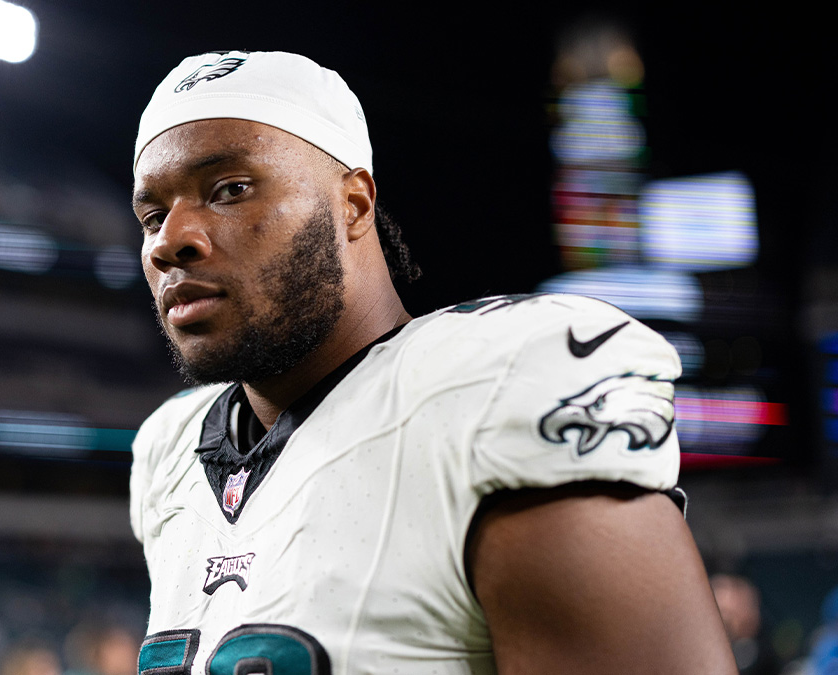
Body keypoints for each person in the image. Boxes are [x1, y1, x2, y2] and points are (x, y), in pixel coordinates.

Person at [127, 50, 736, 675]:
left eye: (231, 189)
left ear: (355, 204)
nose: (170, 240)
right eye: (152, 215)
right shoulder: (170, 454)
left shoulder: (497, 384)